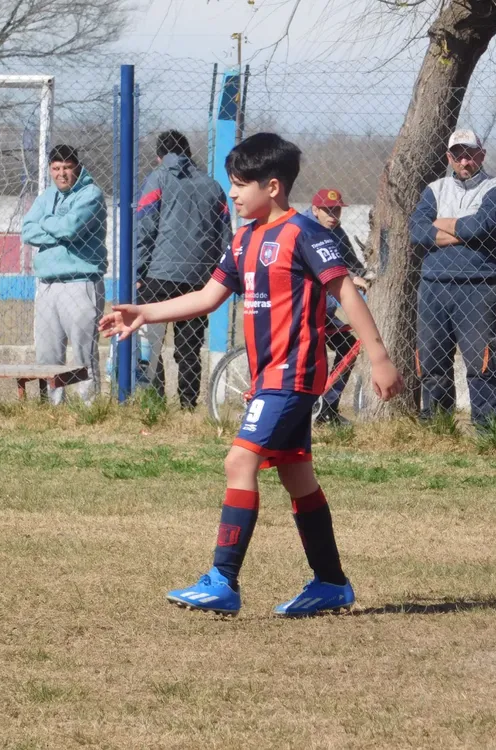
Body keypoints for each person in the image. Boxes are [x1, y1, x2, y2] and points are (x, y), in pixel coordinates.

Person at [99, 133, 403, 617]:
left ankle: (223, 579)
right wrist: (145, 312)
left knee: (238, 462)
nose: (234, 194)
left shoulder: (305, 234)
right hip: (268, 379)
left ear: (274, 186)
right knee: (297, 476)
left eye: (242, 185)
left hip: (293, 374)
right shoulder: (244, 240)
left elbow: (345, 292)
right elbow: (206, 297)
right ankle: (330, 582)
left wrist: (379, 355)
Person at [409, 128, 496, 428]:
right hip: (433, 286)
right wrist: (462, 231)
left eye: (470, 155)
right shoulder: (435, 189)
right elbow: (417, 231)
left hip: (477, 286)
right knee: (431, 360)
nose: (465, 162)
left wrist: (441, 226)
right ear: (449, 158)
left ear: (482, 155)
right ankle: (438, 426)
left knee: (482, 362)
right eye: (458, 156)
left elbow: (482, 227)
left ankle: (487, 427)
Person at [135, 131, 232, 409]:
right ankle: (189, 403)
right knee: (190, 345)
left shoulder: (159, 177)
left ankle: (154, 399)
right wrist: (216, 274)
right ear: (188, 152)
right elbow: (226, 235)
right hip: (201, 277)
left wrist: (139, 273)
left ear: (159, 155)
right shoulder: (213, 186)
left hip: (160, 272)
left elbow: (145, 226)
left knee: (150, 341)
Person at [21, 145, 107, 404]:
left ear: (77, 167)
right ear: (50, 170)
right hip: (48, 284)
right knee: (48, 355)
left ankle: (88, 407)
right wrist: (56, 226)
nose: (62, 173)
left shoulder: (90, 194)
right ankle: (54, 407)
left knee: (83, 353)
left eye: (67, 167)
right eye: (56, 168)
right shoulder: (46, 197)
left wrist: (46, 223)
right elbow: (27, 231)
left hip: (80, 282)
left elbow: (70, 228)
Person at [305, 187, 368, 425]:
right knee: (316, 357)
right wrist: (351, 278)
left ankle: (326, 408)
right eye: (328, 210)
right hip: (307, 310)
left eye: (337, 210)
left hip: (325, 311)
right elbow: (322, 268)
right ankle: (308, 409)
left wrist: (365, 278)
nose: (333, 215)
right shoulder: (305, 231)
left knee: (348, 348)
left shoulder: (337, 232)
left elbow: (351, 264)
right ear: (315, 210)